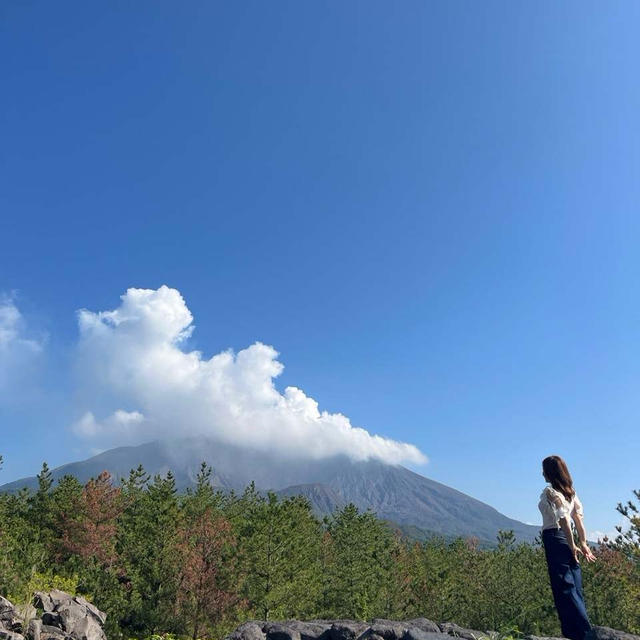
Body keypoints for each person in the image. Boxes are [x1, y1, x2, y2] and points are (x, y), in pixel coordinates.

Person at [539, 455, 596, 640]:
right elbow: (577, 519)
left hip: (555, 537)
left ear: (550, 472)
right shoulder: (570, 493)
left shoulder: (551, 493)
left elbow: (564, 519)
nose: (542, 473)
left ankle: (582, 633)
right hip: (565, 537)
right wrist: (583, 543)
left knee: (564, 586)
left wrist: (573, 546)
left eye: (544, 470)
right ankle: (577, 631)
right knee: (574, 585)